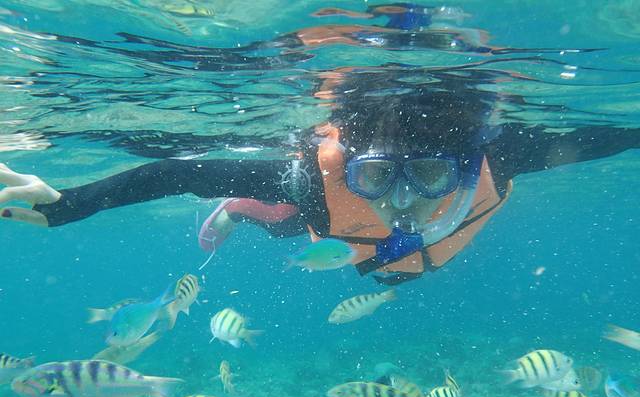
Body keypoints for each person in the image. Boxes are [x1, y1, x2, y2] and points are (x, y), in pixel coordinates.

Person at [1, 5, 639, 285]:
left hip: (376, 252)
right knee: (285, 220)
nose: (404, 201)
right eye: (376, 176)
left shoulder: (503, 152)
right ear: (351, 167)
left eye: (428, 174)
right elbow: (179, 173)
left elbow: (615, 134)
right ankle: (238, 210)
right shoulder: (314, 182)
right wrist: (75, 201)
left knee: (328, 228)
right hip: (321, 222)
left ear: (466, 164)